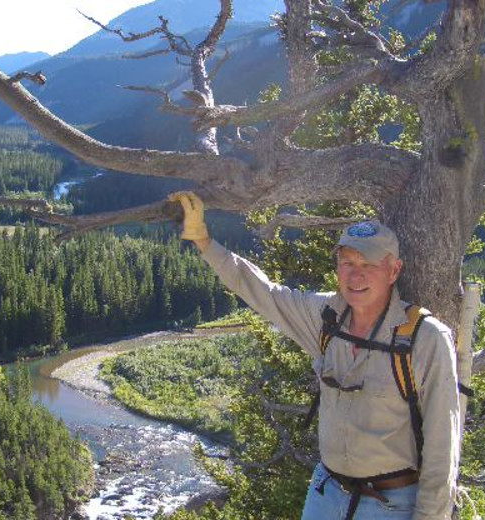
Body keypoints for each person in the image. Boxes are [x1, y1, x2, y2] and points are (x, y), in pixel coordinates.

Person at [168, 191, 461, 520]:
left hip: (392, 504)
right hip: (326, 492)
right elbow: (264, 293)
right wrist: (204, 241)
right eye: (347, 263)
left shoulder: (426, 338)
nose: (355, 275)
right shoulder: (325, 317)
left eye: (368, 265)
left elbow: (442, 448)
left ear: (393, 271)